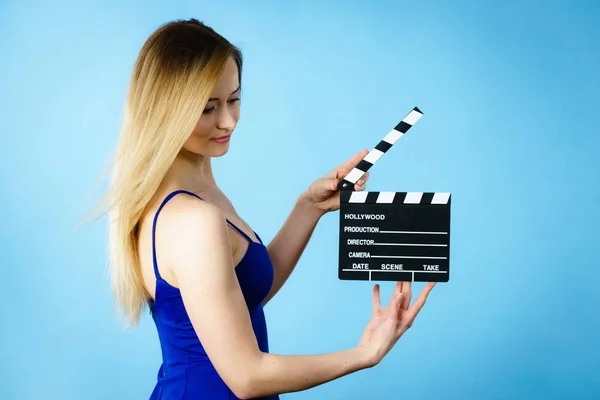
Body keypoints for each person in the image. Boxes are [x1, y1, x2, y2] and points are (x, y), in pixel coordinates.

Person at [89, 18, 436, 400]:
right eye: (208, 108)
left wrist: (309, 207)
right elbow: (246, 376)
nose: (229, 121)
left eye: (234, 99)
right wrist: (364, 353)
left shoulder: (198, 185)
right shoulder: (191, 219)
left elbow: (239, 296)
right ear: (165, 109)